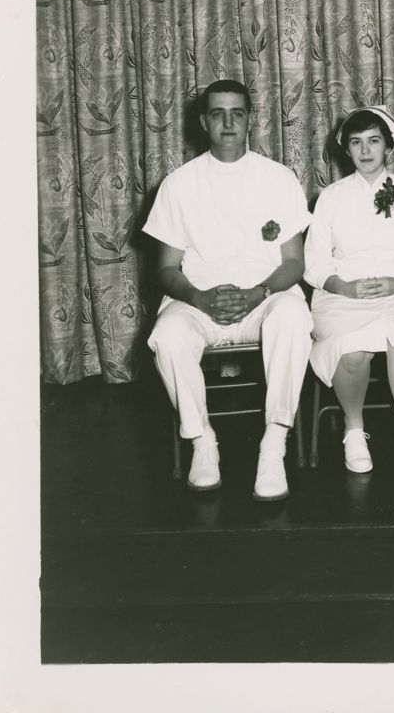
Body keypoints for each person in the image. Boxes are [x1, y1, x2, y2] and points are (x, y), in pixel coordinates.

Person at [145, 79, 312, 501]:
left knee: (294, 316)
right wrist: (200, 298)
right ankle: (202, 442)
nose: (228, 122)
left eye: (237, 113)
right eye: (218, 114)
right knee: (167, 336)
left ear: (250, 119)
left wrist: (258, 292)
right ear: (203, 122)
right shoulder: (178, 184)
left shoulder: (278, 177)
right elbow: (165, 269)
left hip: (264, 298)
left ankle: (274, 443)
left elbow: (294, 263)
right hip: (200, 301)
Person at [303, 106, 394, 496]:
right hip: (341, 295)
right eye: (356, 142)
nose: (366, 150)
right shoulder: (330, 198)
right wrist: (342, 287)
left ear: (388, 147)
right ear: (346, 150)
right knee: (352, 354)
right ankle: (353, 428)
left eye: (374, 141)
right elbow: (313, 261)